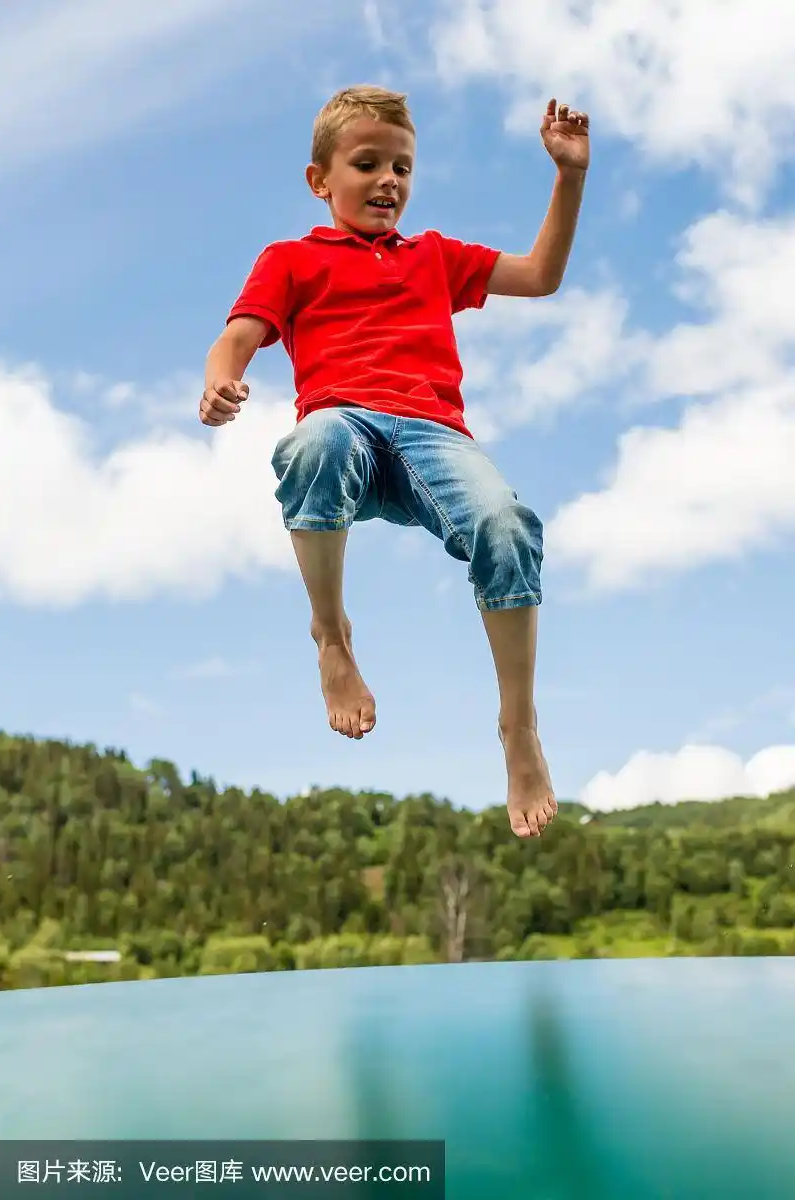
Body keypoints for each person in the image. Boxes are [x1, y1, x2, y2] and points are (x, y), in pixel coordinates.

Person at [200, 85, 589, 839]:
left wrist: (568, 175)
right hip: (345, 431)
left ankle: (518, 728)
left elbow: (541, 275)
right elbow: (238, 338)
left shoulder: (436, 258)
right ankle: (333, 638)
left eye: (403, 168)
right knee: (314, 442)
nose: (389, 180)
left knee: (508, 528)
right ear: (321, 180)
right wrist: (220, 377)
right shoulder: (290, 259)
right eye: (368, 163)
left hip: (432, 437)